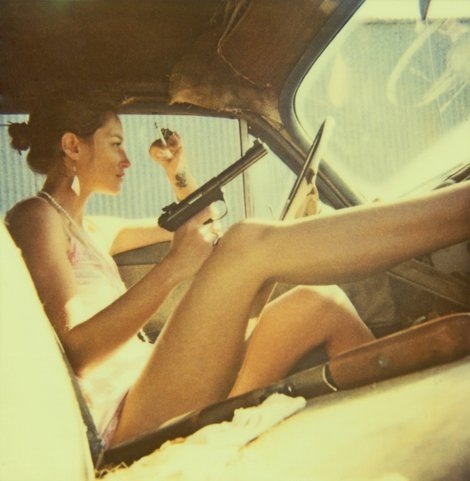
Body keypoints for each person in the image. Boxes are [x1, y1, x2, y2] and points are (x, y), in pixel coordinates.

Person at [5, 97, 469, 449]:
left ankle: (401, 439)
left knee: (318, 302)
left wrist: (177, 171)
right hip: (125, 421)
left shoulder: (94, 228)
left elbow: (200, 222)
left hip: (157, 385)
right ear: (72, 146)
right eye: (115, 144)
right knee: (246, 244)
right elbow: (77, 350)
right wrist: (173, 268)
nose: (127, 160)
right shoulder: (35, 217)